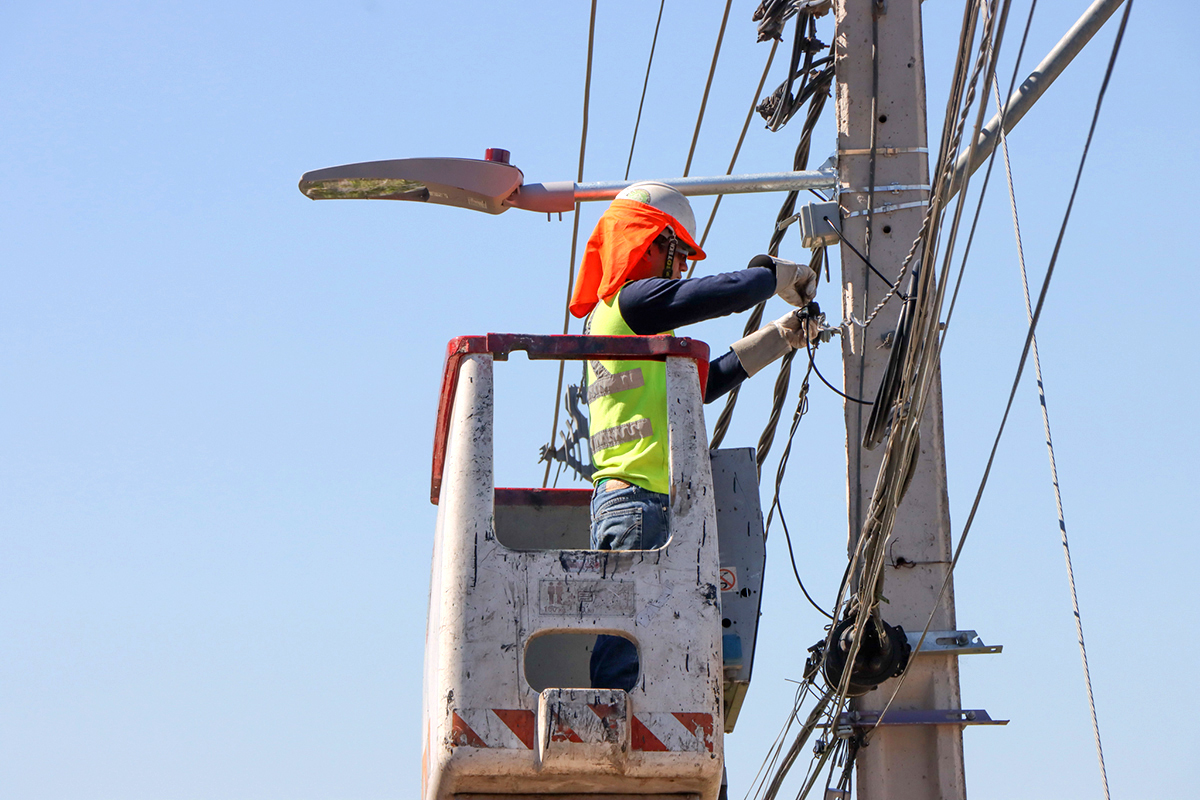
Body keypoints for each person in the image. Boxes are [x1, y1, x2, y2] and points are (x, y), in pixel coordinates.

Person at [568, 182, 818, 690]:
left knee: (645, 651)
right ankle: (616, 758)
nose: (683, 268)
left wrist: (777, 337)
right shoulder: (633, 302)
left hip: (636, 502)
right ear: (647, 241)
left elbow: (699, 385)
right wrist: (773, 276)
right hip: (640, 503)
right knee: (629, 662)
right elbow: (725, 293)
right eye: (678, 252)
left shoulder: (617, 318)